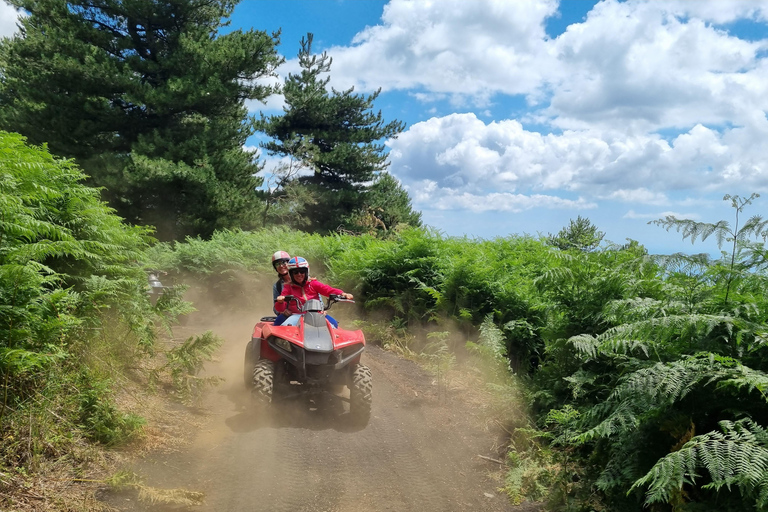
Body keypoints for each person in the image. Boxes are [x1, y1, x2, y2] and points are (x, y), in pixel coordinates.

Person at [274, 256, 353, 327]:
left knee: (334, 325)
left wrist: (343, 293)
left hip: (317, 314)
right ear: (291, 274)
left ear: (306, 272)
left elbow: (328, 290)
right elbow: (280, 308)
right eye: (295, 272)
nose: (299, 274)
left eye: (302, 271)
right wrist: (280, 301)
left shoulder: (313, 284)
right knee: (279, 326)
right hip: (296, 315)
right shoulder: (288, 287)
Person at [271, 250, 292, 324]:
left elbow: (316, 297)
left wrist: (321, 309)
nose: (281, 266)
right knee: (275, 329)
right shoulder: (277, 286)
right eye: (277, 264)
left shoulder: (303, 278)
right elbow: (275, 307)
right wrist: (282, 311)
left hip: (308, 313)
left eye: (283, 262)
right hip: (287, 316)